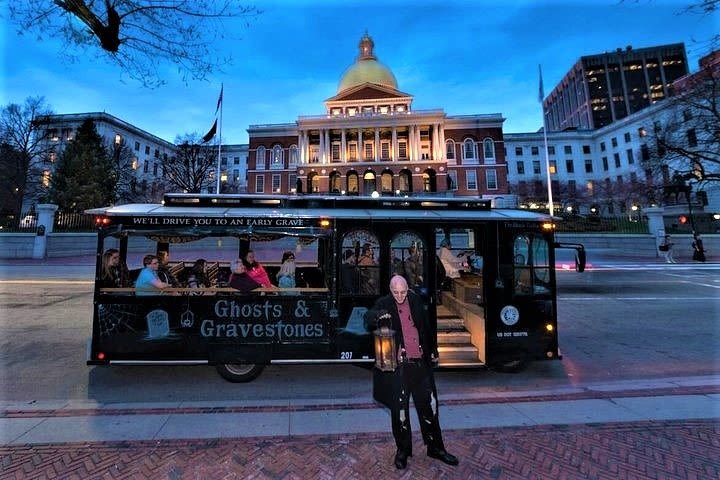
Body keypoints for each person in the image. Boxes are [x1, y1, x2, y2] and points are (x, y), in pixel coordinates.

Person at [363, 275, 459, 470]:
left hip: (420, 364)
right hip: (399, 368)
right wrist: (377, 315)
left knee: (430, 407)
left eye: (403, 292)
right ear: (391, 290)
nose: (400, 296)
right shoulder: (384, 303)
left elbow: (425, 327)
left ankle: (436, 448)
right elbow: (367, 319)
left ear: (408, 289)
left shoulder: (415, 300)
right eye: (396, 292)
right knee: (400, 413)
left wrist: (433, 351)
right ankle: (403, 451)